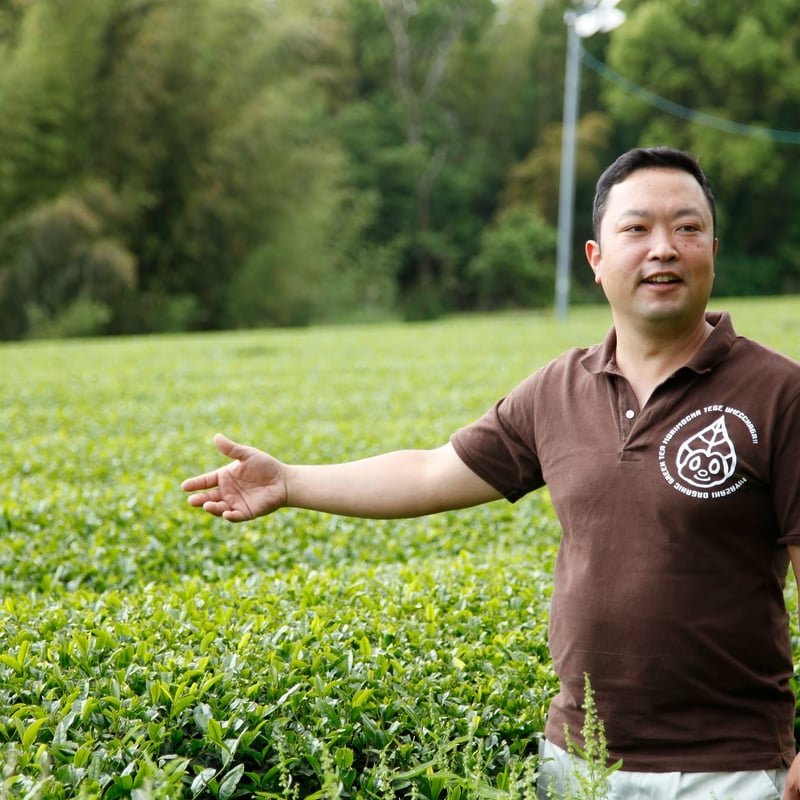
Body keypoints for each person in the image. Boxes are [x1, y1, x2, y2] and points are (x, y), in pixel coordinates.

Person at [183, 147, 800, 799]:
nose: (664, 248)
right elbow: (430, 473)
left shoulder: (778, 393)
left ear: (713, 251)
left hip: (729, 770)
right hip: (578, 762)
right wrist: (291, 482)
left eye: (687, 228)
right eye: (637, 228)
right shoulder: (558, 390)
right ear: (596, 260)